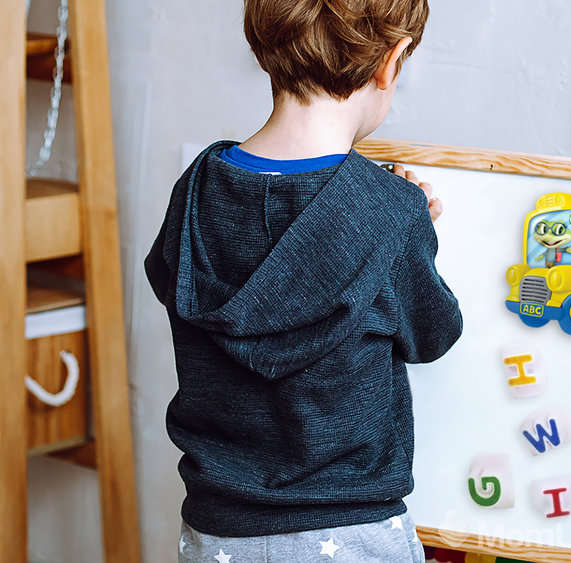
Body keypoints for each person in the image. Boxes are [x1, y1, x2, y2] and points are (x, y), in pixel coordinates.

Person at [144, 1, 462, 561]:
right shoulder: (390, 210)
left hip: (216, 533)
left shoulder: (195, 189)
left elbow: (167, 277)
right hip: (352, 532)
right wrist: (406, 229)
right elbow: (434, 335)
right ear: (389, 64)